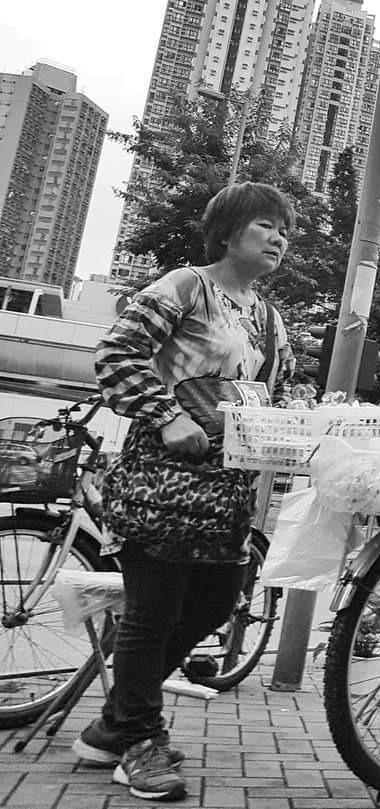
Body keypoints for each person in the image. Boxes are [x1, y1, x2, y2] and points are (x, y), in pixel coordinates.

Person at [72, 182, 294, 801]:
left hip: (226, 493)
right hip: (161, 482)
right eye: (264, 226)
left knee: (216, 603)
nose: (278, 238)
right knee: (154, 612)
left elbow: (273, 399)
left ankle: (113, 725)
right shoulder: (184, 287)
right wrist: (167, 415)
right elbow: (117, 351)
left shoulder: (269, 318)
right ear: (226, 233)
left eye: (284, 230)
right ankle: (140, 740)